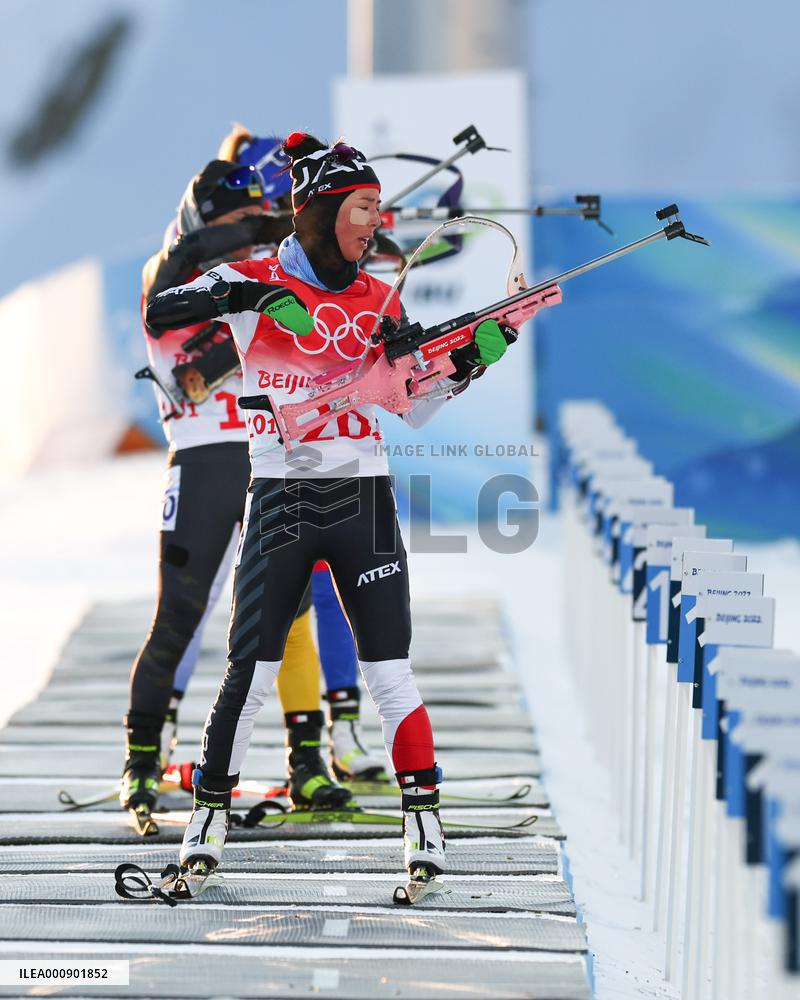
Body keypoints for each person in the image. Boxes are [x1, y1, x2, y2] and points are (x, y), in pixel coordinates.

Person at [145, 132, 516, 881]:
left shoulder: (380, 294)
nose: (375, 222)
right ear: (316, 213)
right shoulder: (256, 274)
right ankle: (206, 825)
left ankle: (425, 830)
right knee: (248, 672)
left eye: (378, 206)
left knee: (392, 673)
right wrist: (242, 294)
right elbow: (163, 311)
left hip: (365, 496)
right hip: (281, 492)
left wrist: (468, 362)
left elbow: (411, 405)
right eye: (362, 206)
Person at [121, 153, 351, 820]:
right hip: (201, 465)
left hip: (269, 460)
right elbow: (194, 365)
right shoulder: (168, 273)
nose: (251, 228)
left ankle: (307, 762)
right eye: (239, 218)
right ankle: (141, 763)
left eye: (257, 215)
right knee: (179, 619)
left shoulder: (260, 275)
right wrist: (272, 228)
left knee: (296, 614)